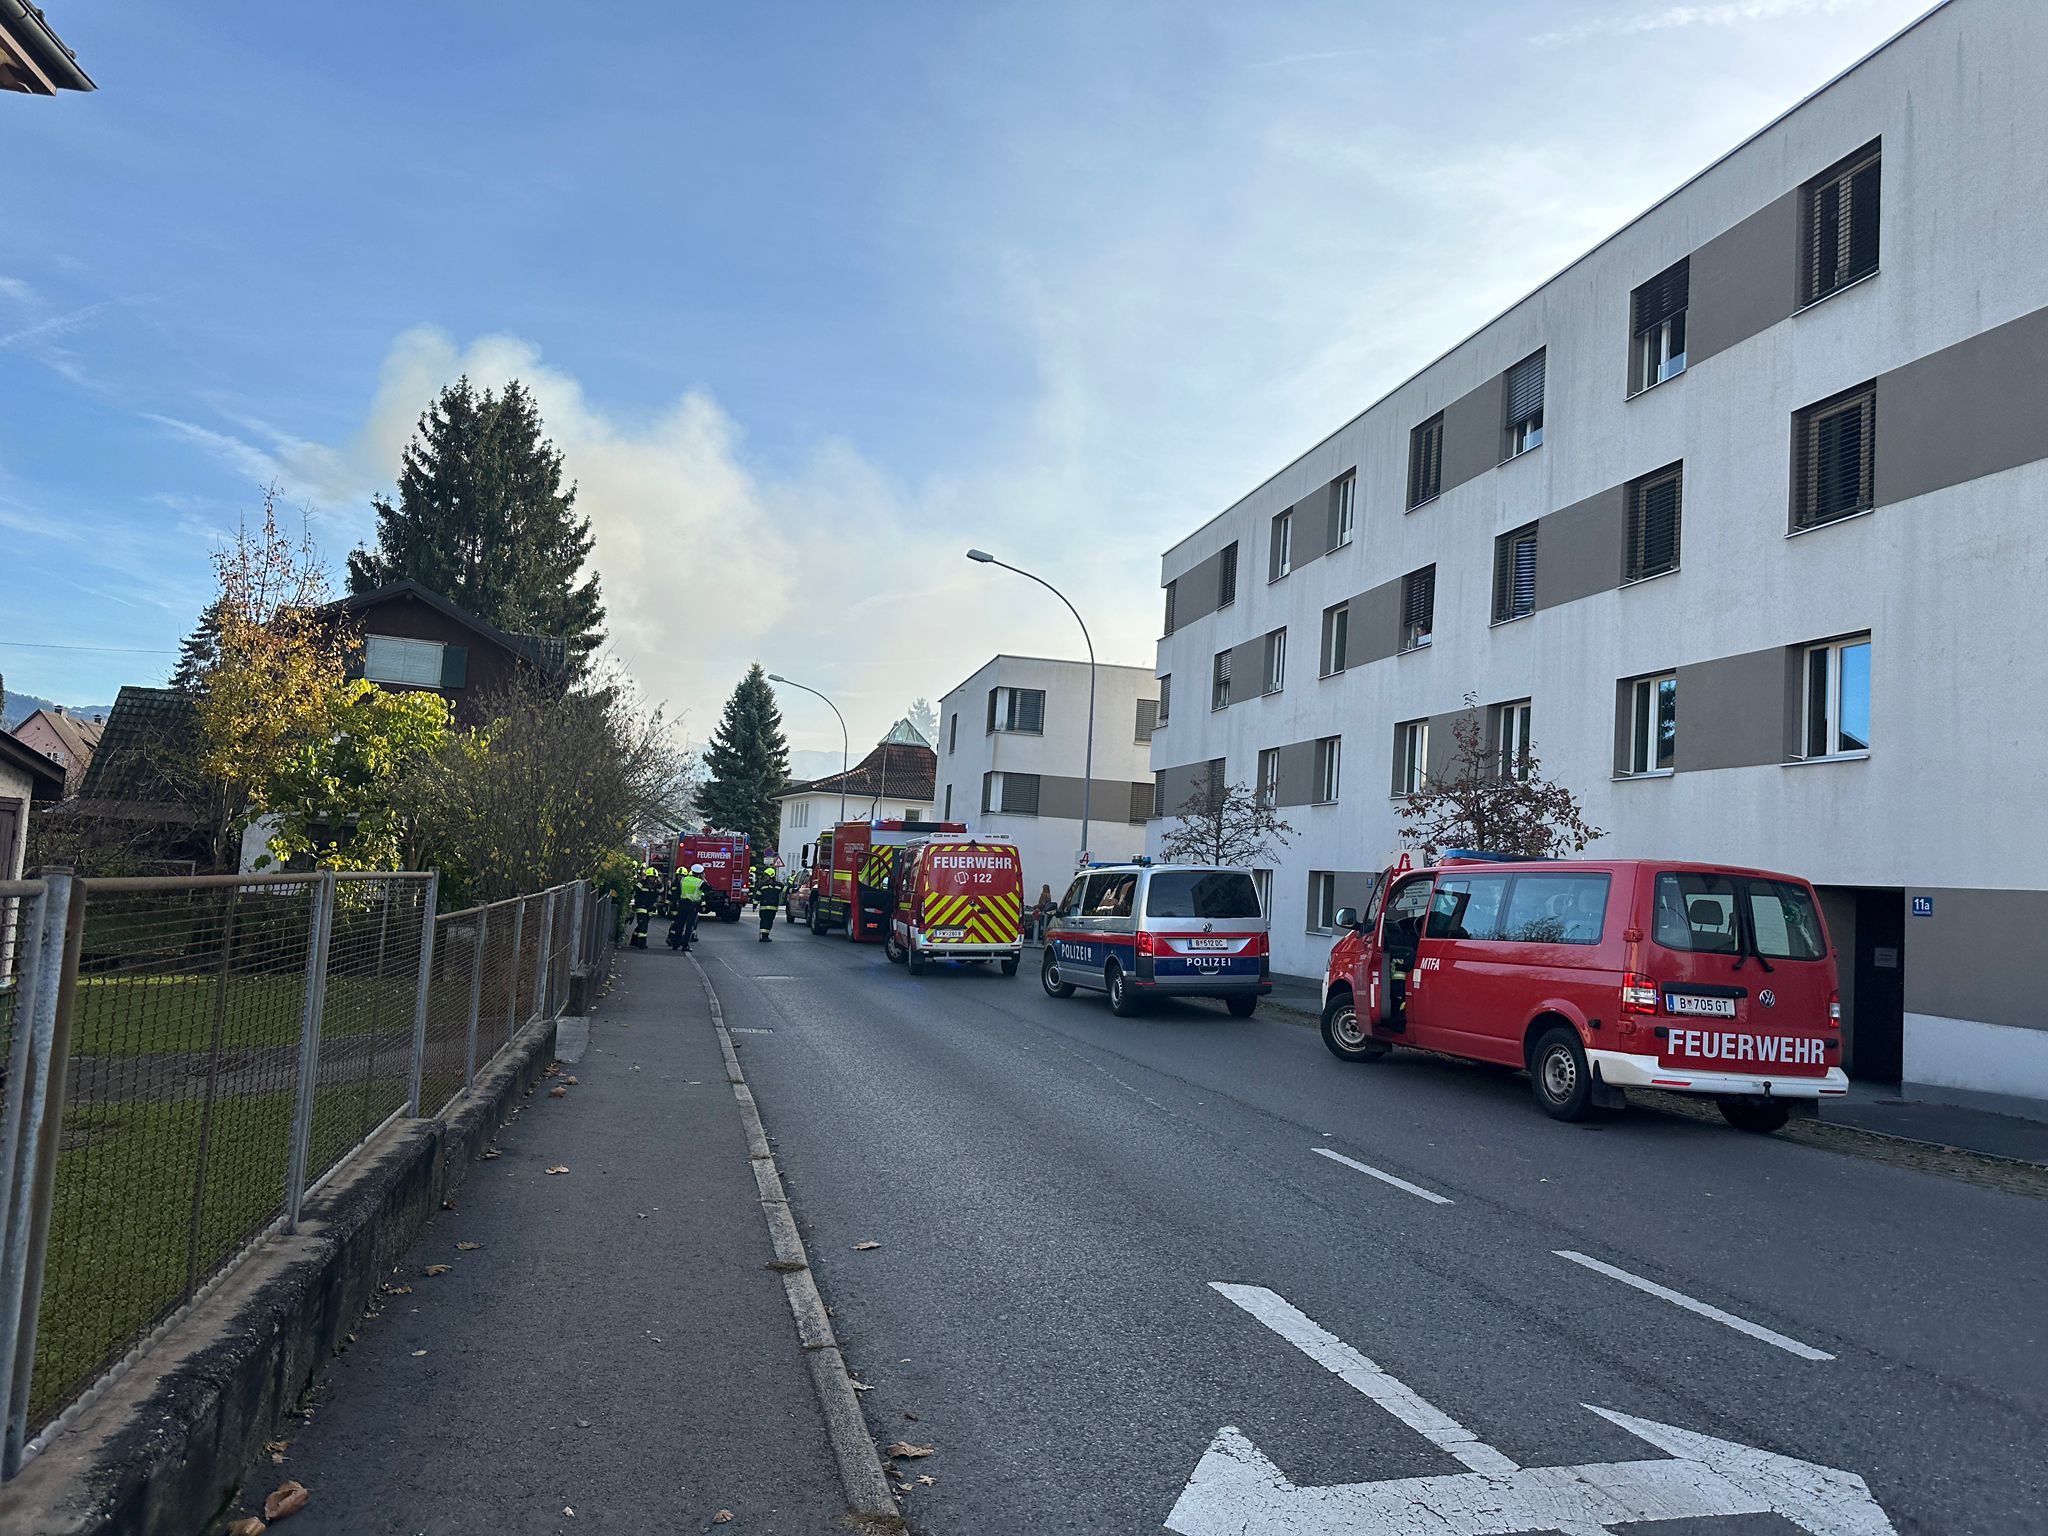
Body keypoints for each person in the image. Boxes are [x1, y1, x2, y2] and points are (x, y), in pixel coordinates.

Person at [670, 863, 707, 950]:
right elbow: (709, 889)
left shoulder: (683, 880)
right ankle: (685, 945)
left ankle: (675, 944)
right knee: (689, 926)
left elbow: (678, 892)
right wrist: (703, 879)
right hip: (693, 906)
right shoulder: (700, 882)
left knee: (680, 924)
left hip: (682, 904)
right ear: (700, 874)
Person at [630, 866, 663, 949]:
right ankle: (641, 943)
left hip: (650, 908)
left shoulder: (656, 885)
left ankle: (633, 940)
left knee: (642, 924)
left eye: (654, 877)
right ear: (647, 877)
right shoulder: (642, 883)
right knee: (643, 924)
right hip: (641, 906)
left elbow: (661, 892)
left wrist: (660, 884)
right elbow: (634, 890)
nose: (652, 879)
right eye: (651, 877)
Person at [754, 863, 784, 941]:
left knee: (769, 922)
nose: (765, 877)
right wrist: (755, 905)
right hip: (764, 908)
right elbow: (757, 896)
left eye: (766, 876)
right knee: (764, 921)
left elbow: (787, 890)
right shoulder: (763, 885)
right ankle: (763, 936)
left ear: (771, 876)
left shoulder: (779, 885)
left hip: (772, 909)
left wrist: (796, 889)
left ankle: (765, 936)